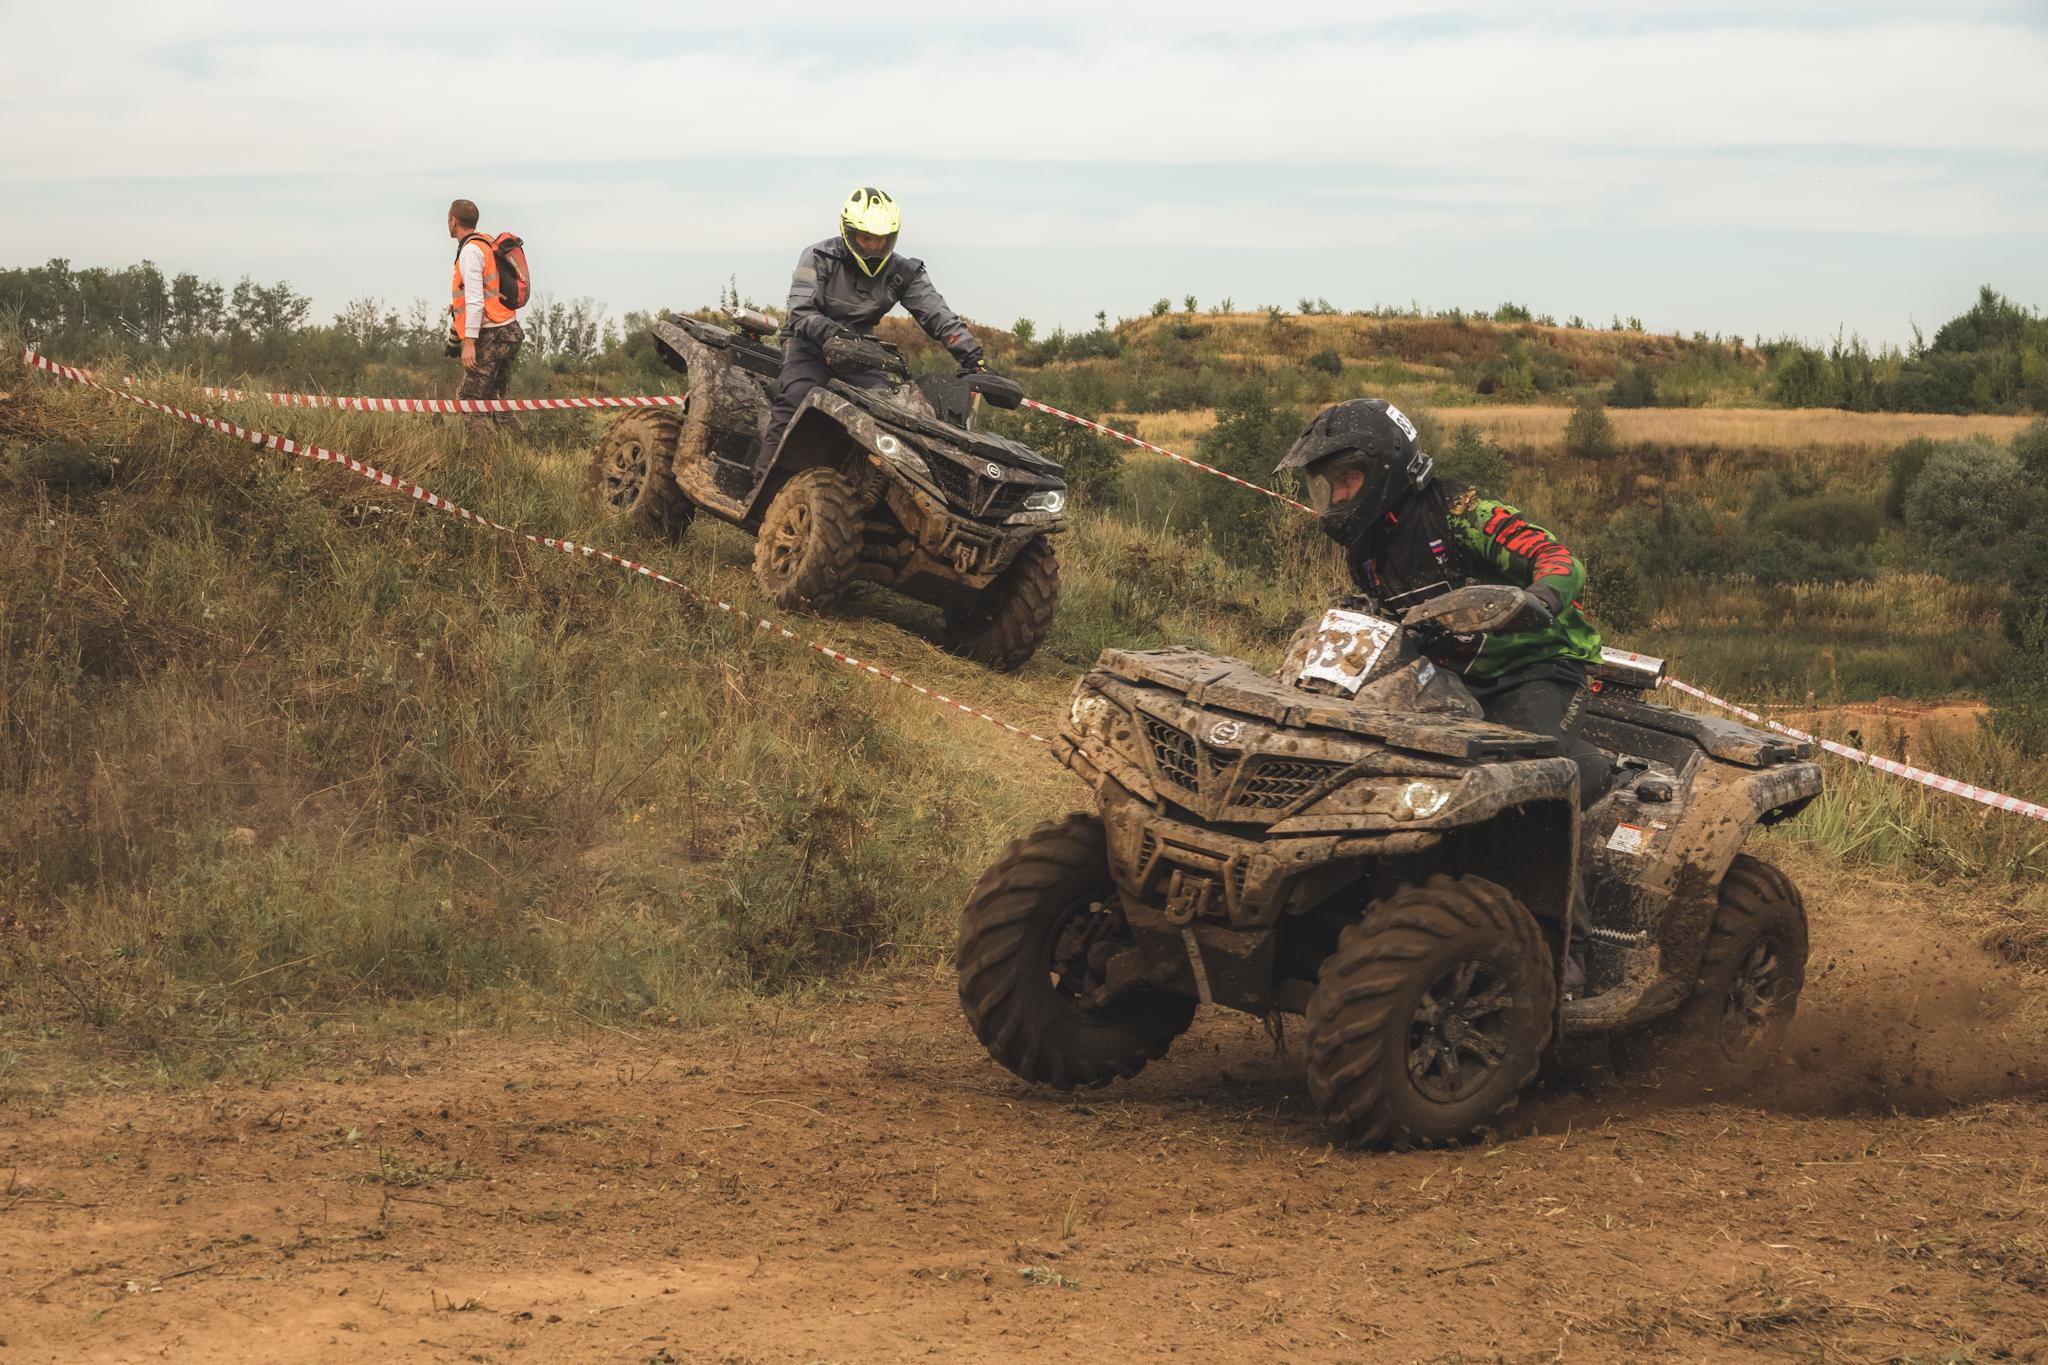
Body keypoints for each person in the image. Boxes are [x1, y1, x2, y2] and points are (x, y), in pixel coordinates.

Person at [1275, 397, 1609, 807]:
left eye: (1347, 479)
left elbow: (1559, 559)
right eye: (1330, 485)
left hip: (1534, 668)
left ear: (1383, 468)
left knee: (1521, 776)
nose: (1339, 496)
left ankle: (1598, 777)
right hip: (1445, 675)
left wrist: (1538, 598)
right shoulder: (1364, 550)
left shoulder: (1460, 512)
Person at [760, 187, 986, 462]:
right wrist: (834, 334)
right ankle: (761, 487)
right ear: (849, 231)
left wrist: (974, 359)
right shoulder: (818, 256)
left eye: (882, 240)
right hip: (809, 348)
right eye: (866, 238)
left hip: (862, 356)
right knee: (797, 398)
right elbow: (800, 312)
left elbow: (938, 314)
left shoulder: (903, 272)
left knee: (890, 417)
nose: (873, 246)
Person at [446, 198, 523, 436]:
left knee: (468, 400)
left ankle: (480, 461)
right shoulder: (487, 244)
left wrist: (468, 342)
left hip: (492, 334)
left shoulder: (470, 250)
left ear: (453, 221)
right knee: (494, 399)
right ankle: (521, 452)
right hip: (508, 331)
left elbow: (475, 300)